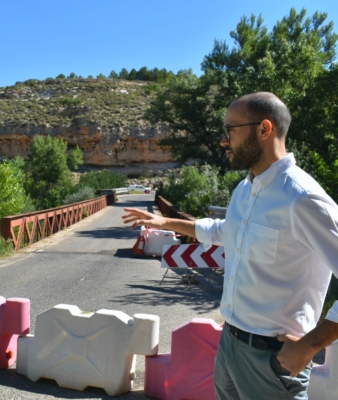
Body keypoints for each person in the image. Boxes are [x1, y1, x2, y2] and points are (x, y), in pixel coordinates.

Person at [122, 92, 338, 399]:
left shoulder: (303, 198)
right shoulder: (244, 189)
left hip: (272, 358)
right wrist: (166, 223)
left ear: (264, 130)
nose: (224, 141)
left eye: (230, 131)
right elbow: (225, 231)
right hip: (230, 345)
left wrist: (309, 346)